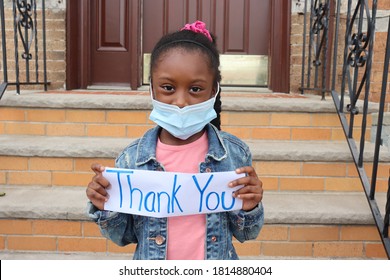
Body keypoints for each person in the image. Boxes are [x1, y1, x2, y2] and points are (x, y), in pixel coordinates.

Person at [86, 20, 264, 260]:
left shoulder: (234, 154)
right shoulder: (131, 159)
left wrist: (250, 206)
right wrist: (104, 205)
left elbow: (247, 233)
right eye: (168, 87)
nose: (180, 101)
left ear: (214, 91)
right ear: (152, 89)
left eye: (195, 89)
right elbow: (123, 236)